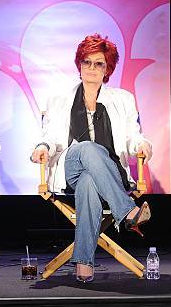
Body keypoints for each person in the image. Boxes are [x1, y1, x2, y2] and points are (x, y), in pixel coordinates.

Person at [31, 34, 152, 283]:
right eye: (87, 62)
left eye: (99, 63)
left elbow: (133, 137)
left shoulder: (122, 99)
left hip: (108, 173)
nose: (92, 68)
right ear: (79, 65)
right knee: (86, 148)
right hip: (71, 168)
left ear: (107, 68)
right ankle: (128, 212)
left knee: (88, 182)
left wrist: (142, 144)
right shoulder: (60, 99)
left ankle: (84, 262)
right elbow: (51, 136)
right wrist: (42, 146)